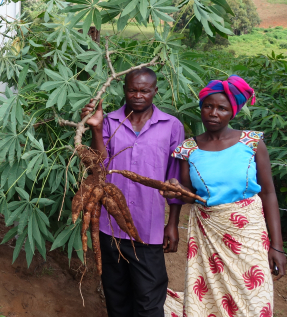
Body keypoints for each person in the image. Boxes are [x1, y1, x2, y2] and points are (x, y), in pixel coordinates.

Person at [162, 75, 285, 316]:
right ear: (201, 109)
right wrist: (175, 188)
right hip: (208, 233)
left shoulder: (252, 142)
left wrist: (277, 247)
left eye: (222, 108)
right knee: (208, 296)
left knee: (254, 300)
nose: (213, 113)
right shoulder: (188, 148)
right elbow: (188, 195)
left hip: (249, 233)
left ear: (233, 112)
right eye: (208, 106)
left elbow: (269, 193)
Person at [80, 67, 184, 317]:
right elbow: (97, 168)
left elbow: (175, 181)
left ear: (155, 91)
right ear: (124, 90)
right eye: (132, 90)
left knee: (149, 300)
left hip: (148, 230)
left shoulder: (171, 126)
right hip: (110, 227)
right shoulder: (109, 122)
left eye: (144, 90)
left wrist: (173, 224)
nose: (138, 95)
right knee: (117, 296)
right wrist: (95, 129)